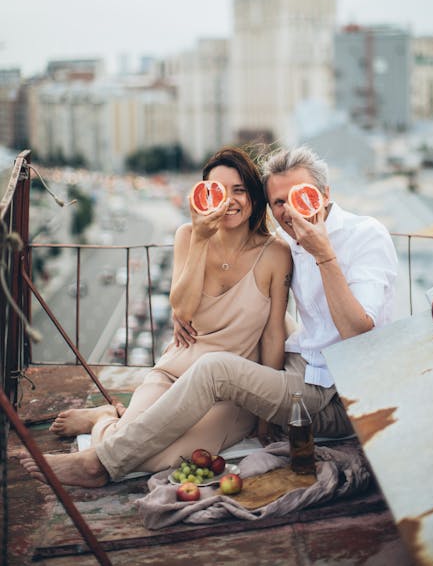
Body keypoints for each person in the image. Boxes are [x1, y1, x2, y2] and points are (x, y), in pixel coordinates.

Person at [20, 145, 398, 488]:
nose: (288, 211)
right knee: (147, 432)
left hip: (327, 384)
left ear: (326, 195)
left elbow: (353, 333)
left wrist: (323, 253)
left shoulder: (351, 237)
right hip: (289, 366)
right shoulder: (291, 240)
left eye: (297, 198)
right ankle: (114, 424)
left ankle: (101, 448)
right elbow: (276, 322)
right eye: (279, 202)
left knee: (161, 454)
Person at [44, 146, 291, 474]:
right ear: (203, 196)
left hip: (230, 393)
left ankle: (106, 421)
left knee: (163, 460)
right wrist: (201, 241)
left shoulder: (275, 253)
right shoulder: (188, 236)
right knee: (130, 444)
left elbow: (274, 334)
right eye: (218, 191)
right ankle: (108, 419)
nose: (230, 200)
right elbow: (183, 308)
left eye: (240, 190)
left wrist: (265, 416)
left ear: (255, 197)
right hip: (176, 372)